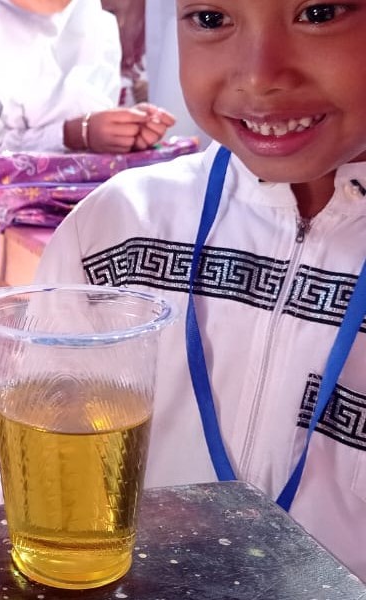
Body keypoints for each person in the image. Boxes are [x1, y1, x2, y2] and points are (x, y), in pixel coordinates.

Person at [34, 0, 366, 580]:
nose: (259, 76)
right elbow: (49, 477)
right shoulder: (116, 230)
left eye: (319, 12)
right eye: (211, 19)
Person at [0, 0, 176, 357]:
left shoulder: (96, 26)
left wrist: (125, 129)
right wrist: (74, 133)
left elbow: (91, 126)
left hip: (61, 191)